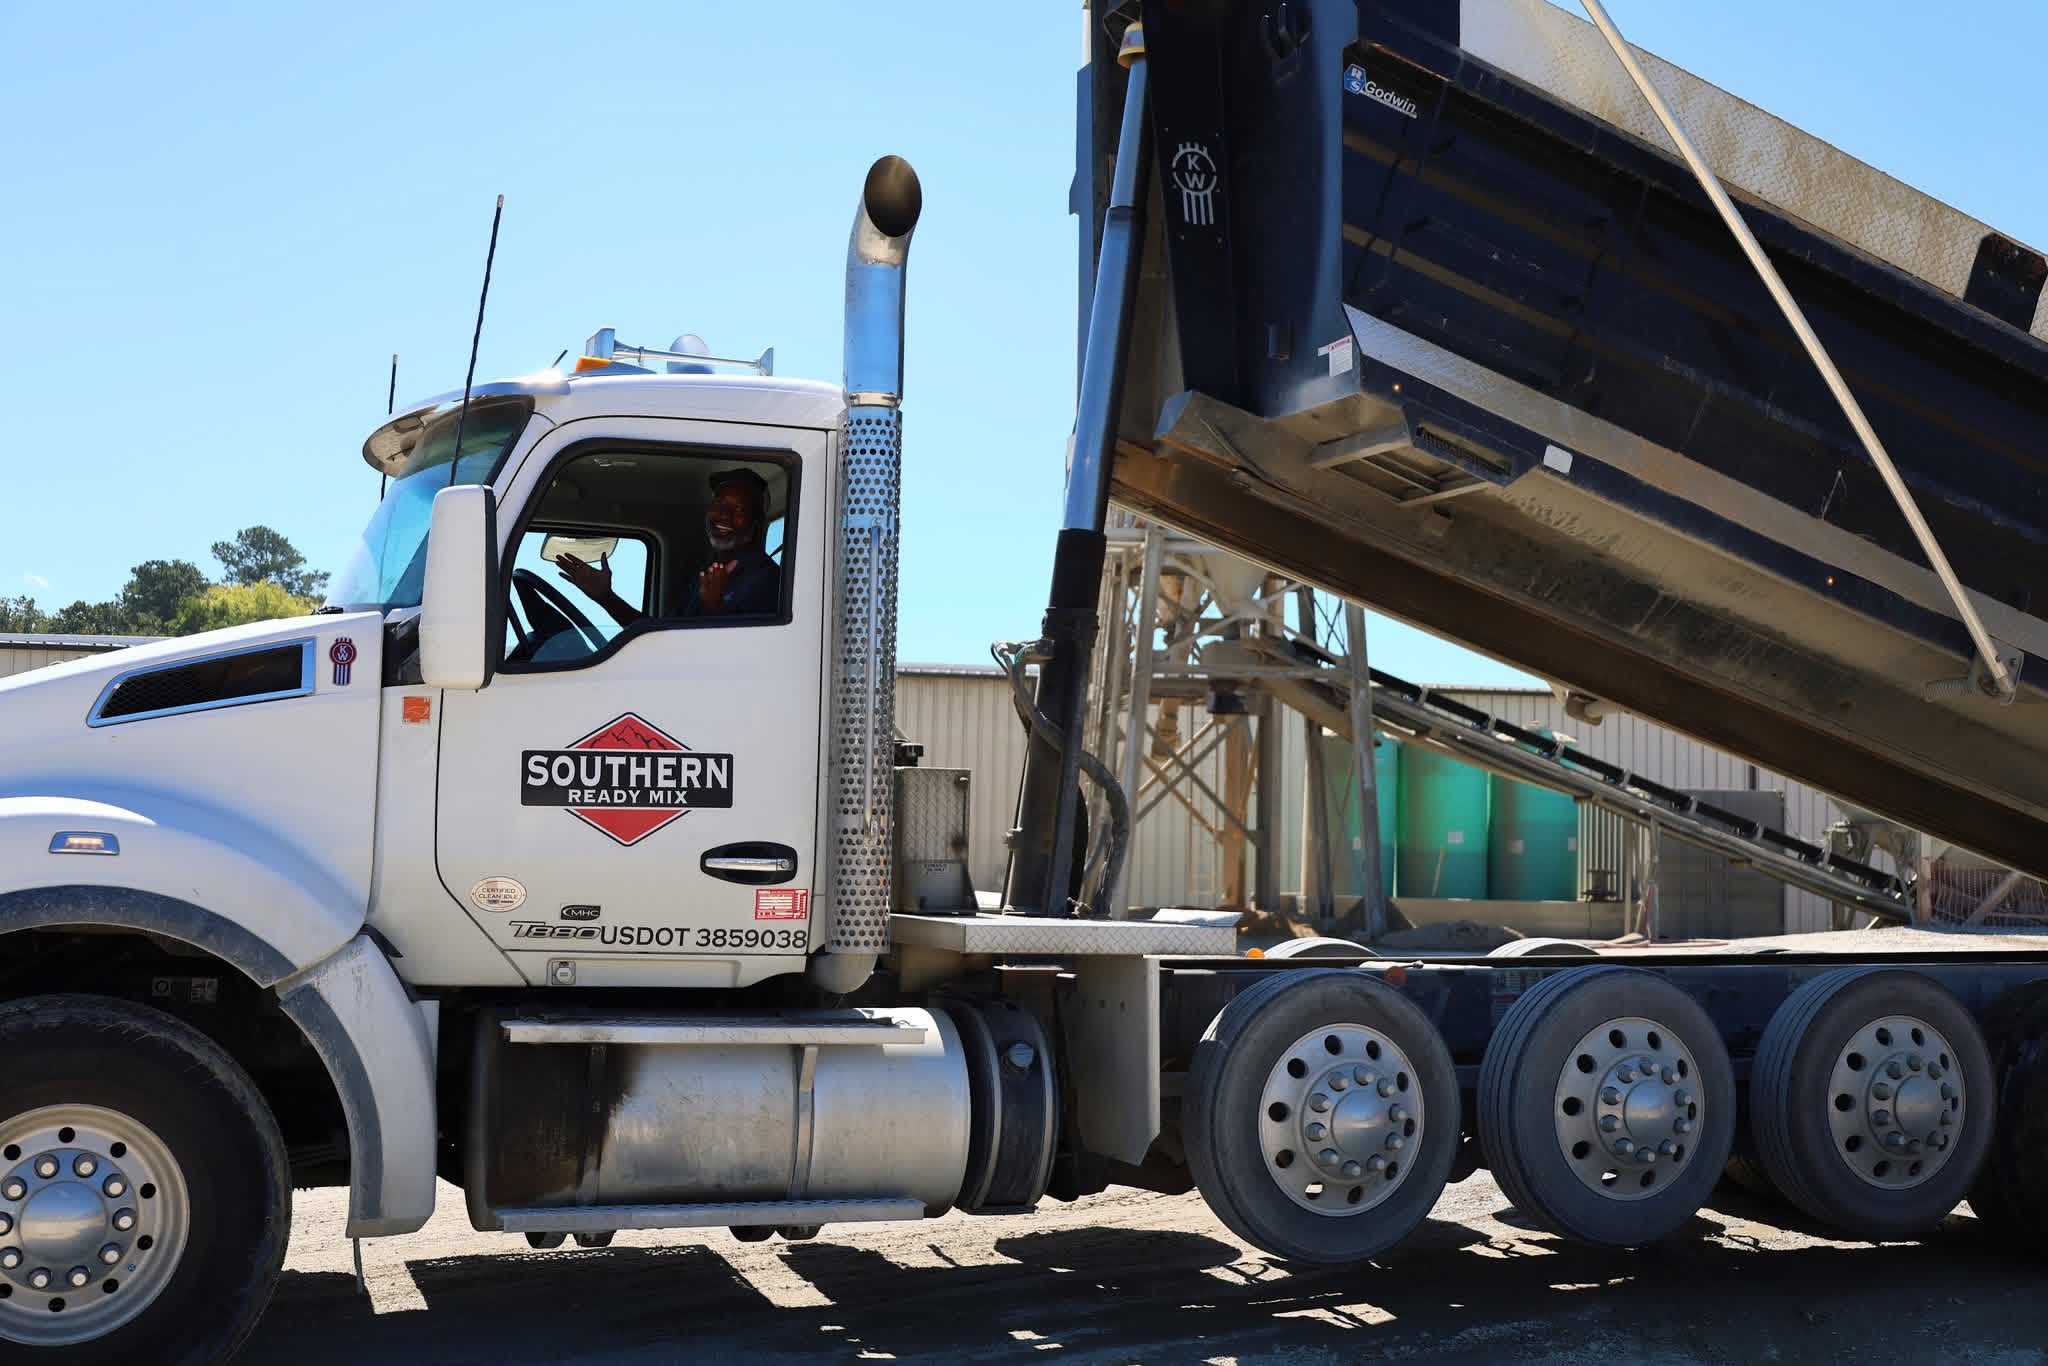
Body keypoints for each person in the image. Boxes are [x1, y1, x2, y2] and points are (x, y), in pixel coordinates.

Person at [555, 467, 781, 626]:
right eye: (719, 502)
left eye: (739, 509)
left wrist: (715, 605)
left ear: (757, 523)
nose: (723, 514)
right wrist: (606, 597)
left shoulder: (770, 580)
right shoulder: (705, 571)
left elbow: (750, 659)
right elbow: (664, 638)